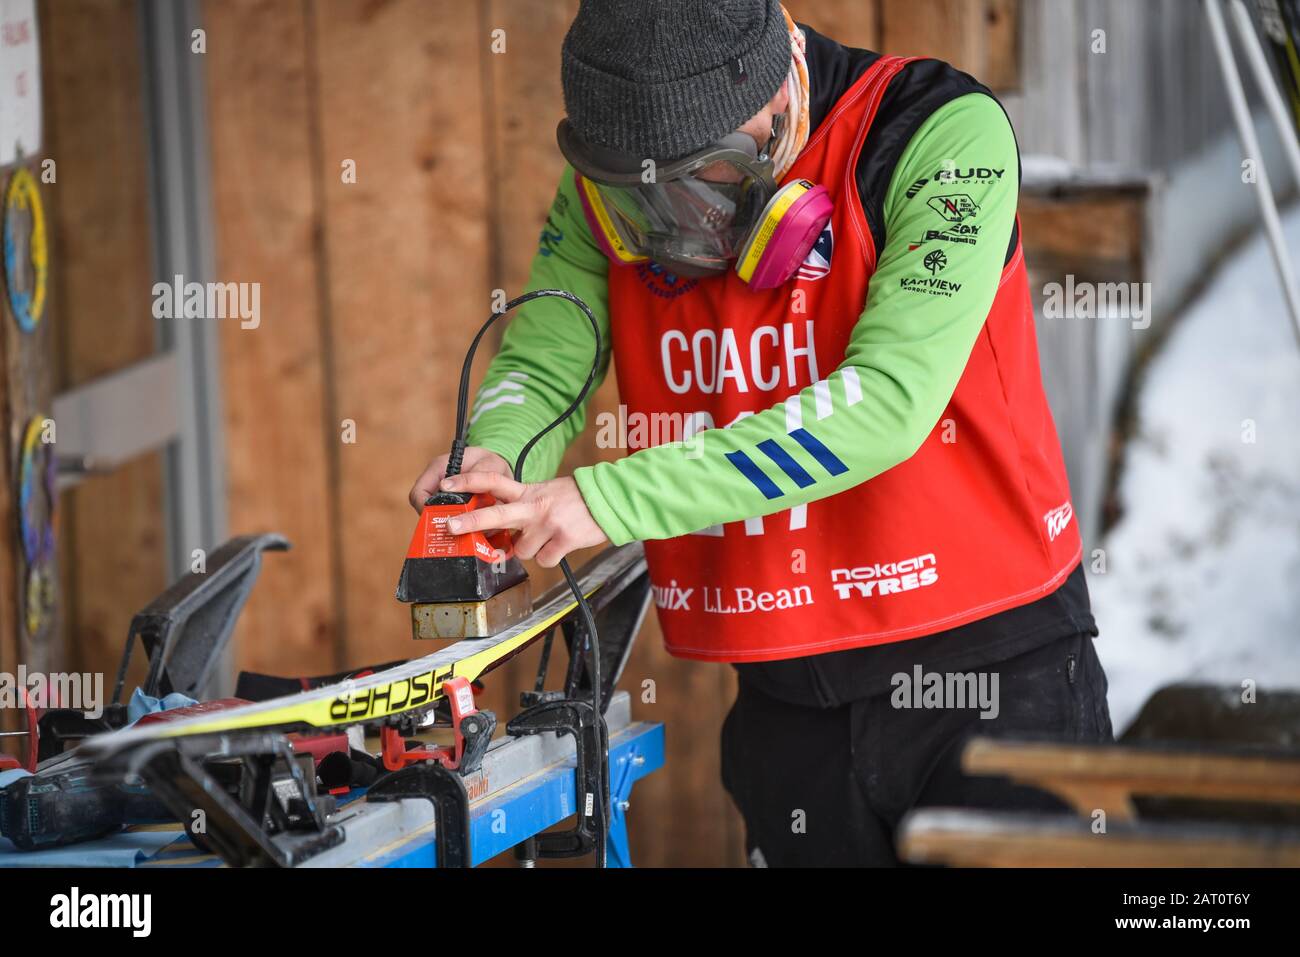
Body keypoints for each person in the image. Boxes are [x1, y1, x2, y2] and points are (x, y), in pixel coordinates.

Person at [410, 0, 1112, 867]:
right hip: (787, 690)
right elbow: (551, 359)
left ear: (785, 73)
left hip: (990, 671)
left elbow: (886, 402)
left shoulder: (937, 134)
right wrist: (495, 456)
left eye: (711, 179)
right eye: (646, 201)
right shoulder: (607, 182)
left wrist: (611, 498)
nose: (678, 225)